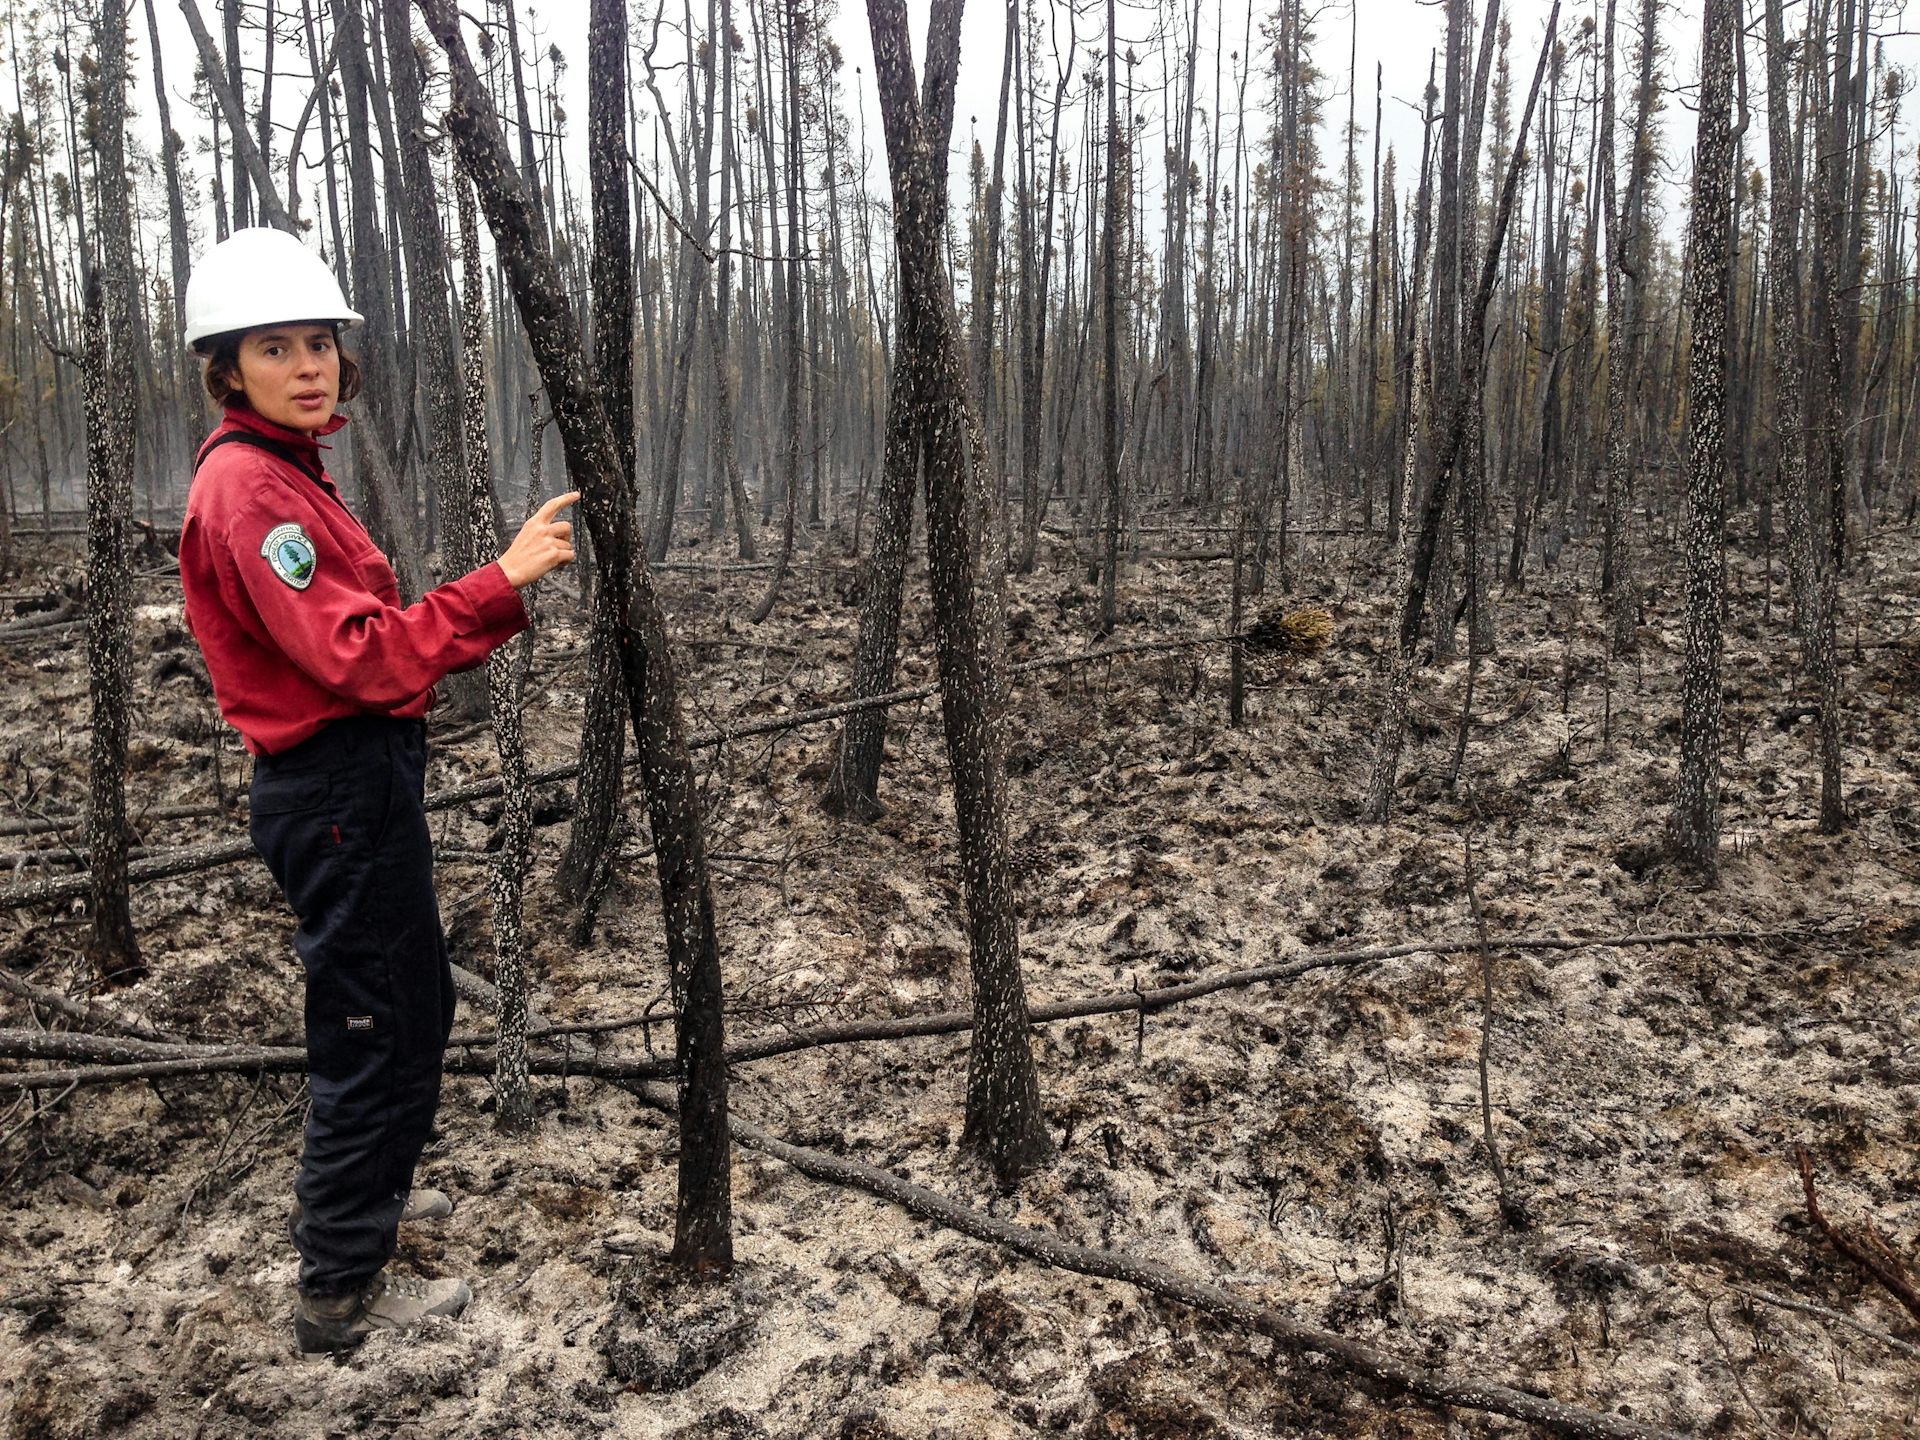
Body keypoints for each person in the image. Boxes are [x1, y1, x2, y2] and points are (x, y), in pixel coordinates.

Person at [175, 227, 579, 1357]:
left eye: (319, 342)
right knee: (373, 1024)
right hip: (332, 785)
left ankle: (368, 1213)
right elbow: (356, 655)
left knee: (411, 1008)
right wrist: (494, 586)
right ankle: (339, 1288)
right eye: (274, 348)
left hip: (357, 780)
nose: (307, 365)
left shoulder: (287, 472)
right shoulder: (252, 491)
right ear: (228, 369)